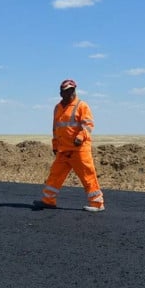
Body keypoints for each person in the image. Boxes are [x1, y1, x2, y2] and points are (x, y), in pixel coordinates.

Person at [34, 79, 105, 212]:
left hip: (79, 150)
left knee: (88, 176)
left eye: (72, 90)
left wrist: (80, 137)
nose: (70, 93)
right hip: (63, 150)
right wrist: (55, 145)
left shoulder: (81, 106)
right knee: (55, 175)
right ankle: (48, 201)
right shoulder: (57, 108)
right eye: (67, 91)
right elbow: (56, 128)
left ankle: (97, 203)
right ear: (61, 93)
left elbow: (88, 124)